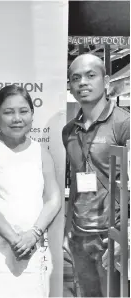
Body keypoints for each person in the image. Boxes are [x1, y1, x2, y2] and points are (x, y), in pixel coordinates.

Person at [0, 85, 62, 297]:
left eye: (23, 111)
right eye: (8, 112)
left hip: (32, 248)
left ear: (32, 114)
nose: (17, 118)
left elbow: (53, 198)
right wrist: (14, 239)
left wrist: (34, 234)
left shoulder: (40, 152)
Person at [63, 53, 130, 297]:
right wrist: (68, 231)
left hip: (112, 238)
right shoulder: (69, 131)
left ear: (107, 81)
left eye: (91, 76)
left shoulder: (124, 124)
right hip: (80, 236)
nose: (83, 82)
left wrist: (126, 237)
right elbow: (76, 178)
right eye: (75, 78)